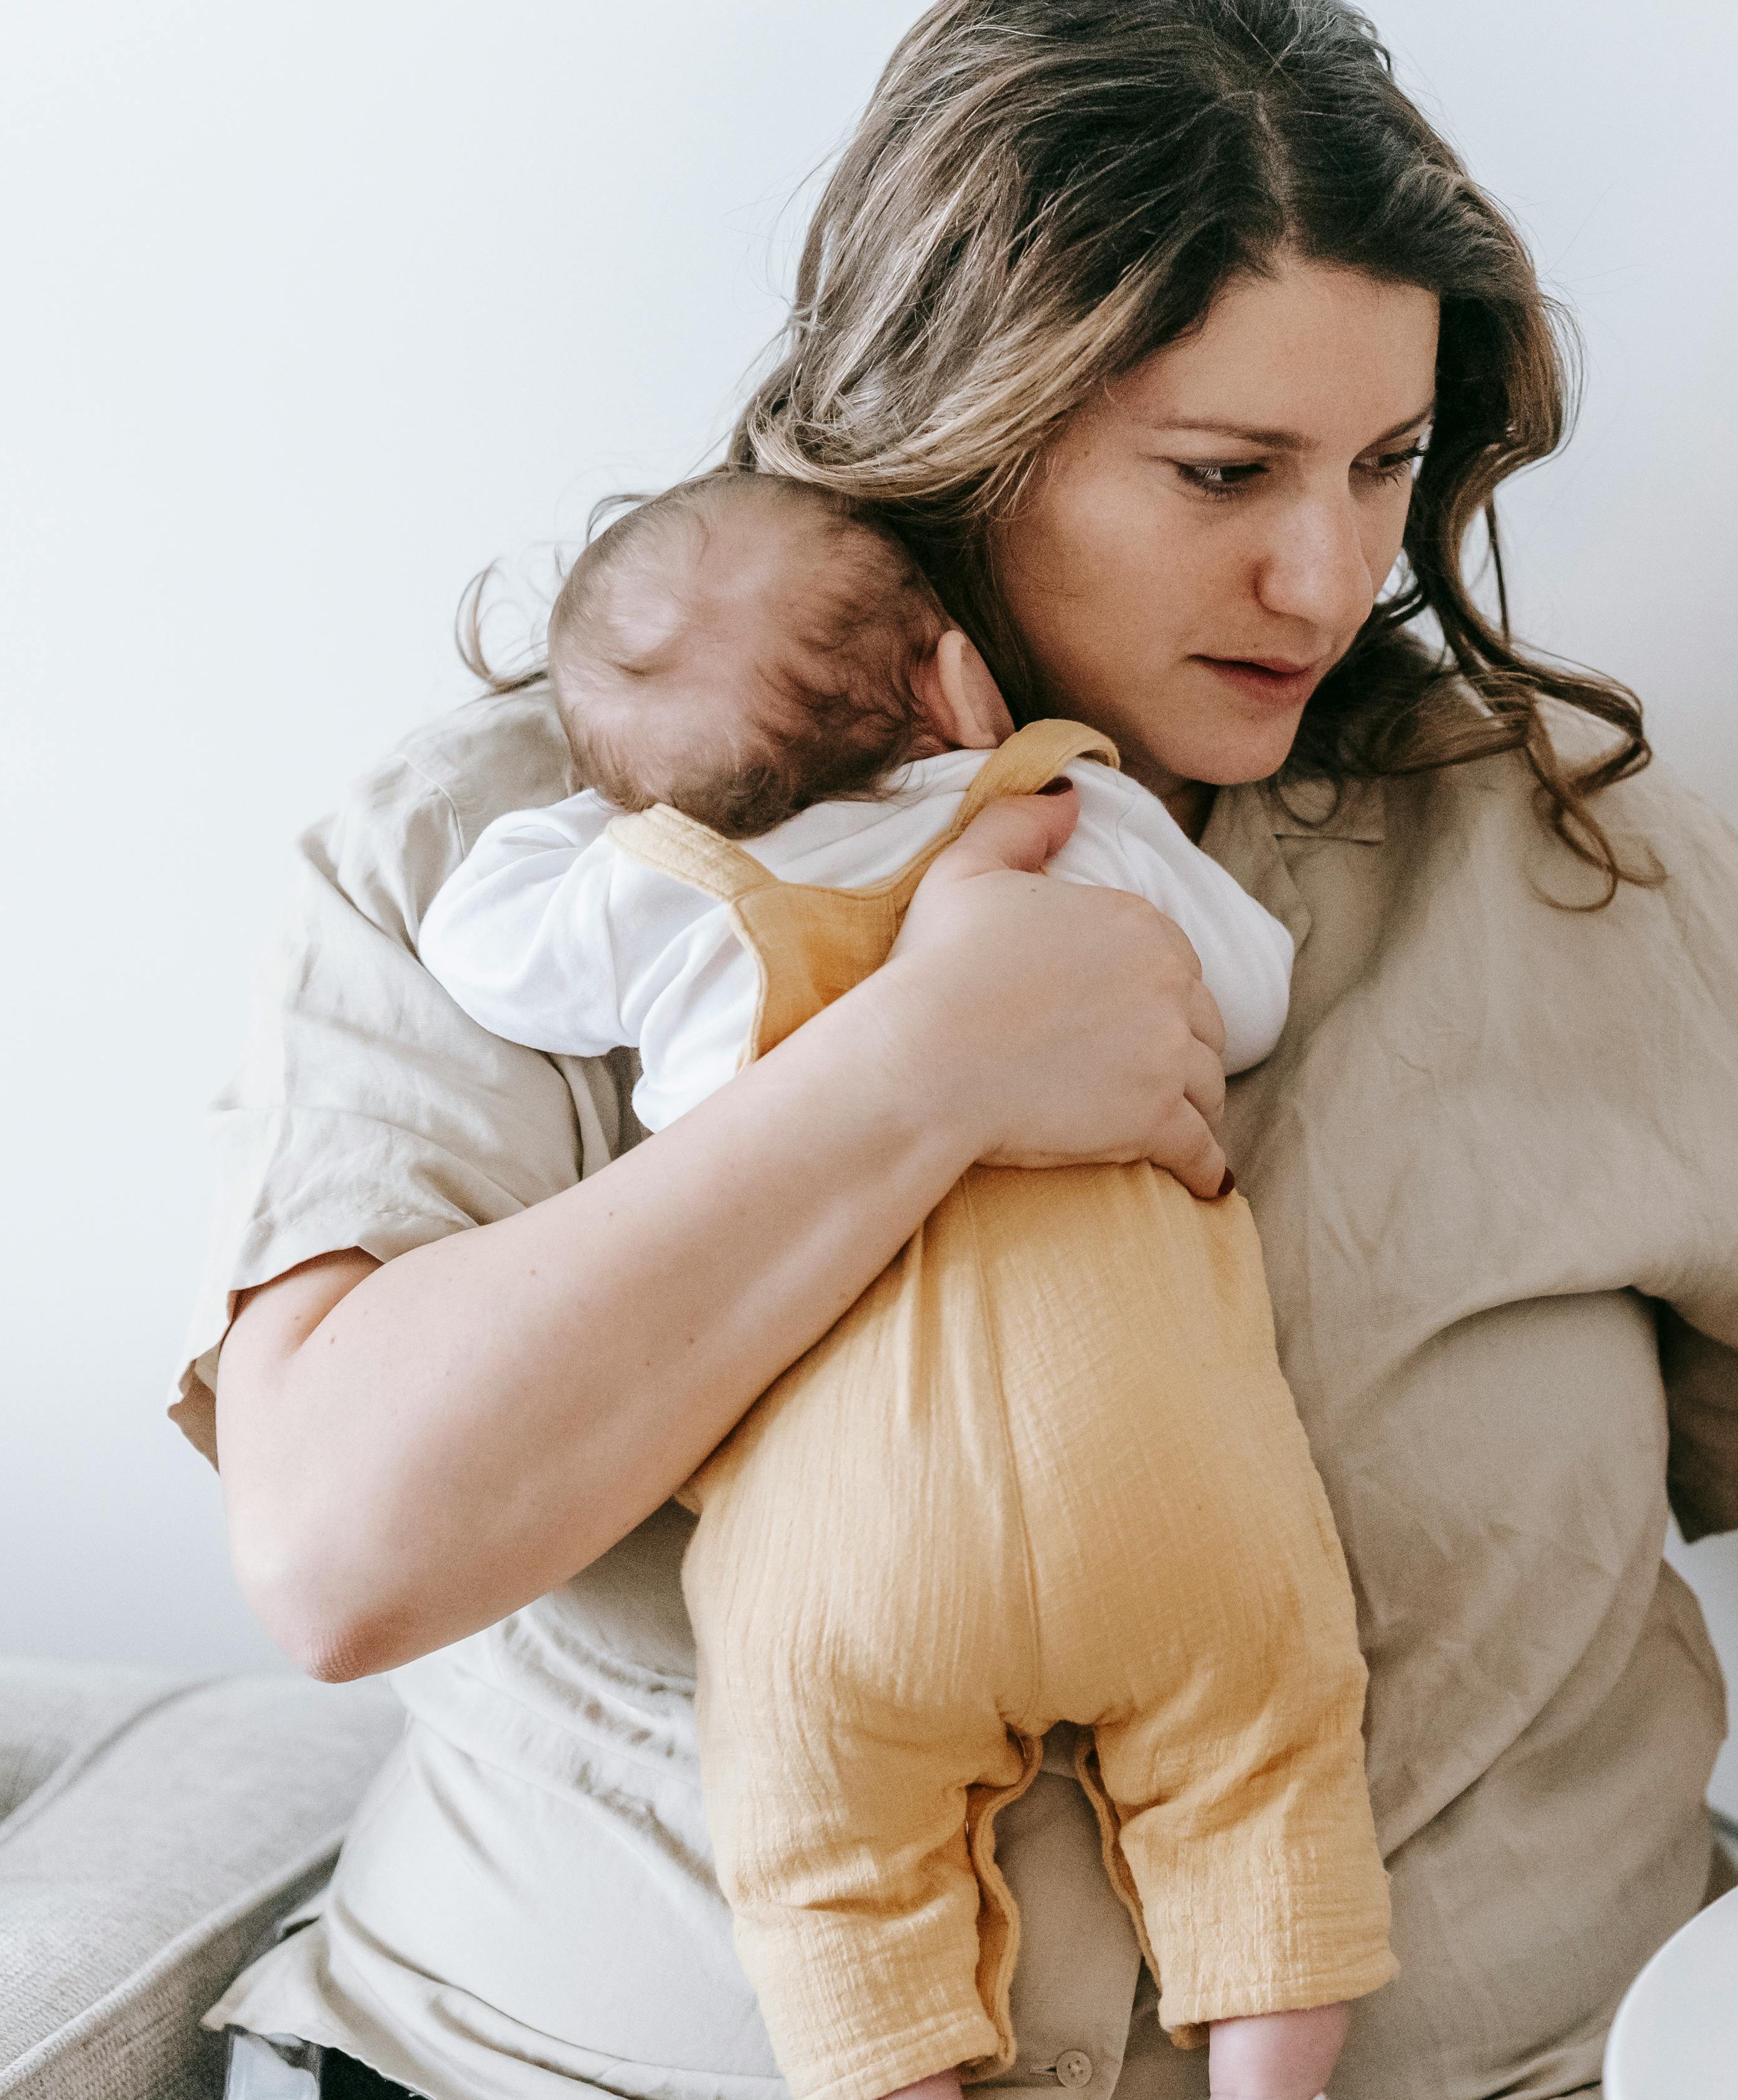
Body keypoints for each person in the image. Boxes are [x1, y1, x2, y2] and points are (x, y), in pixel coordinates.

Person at [185, 4, 1738, 2096]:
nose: (1328, 578)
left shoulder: (1555, 865)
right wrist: (916, 1072)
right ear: (952, 429)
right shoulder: (522, 868)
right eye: (1224, 475)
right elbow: (345, 1549)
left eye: (1384, 469)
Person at [414, 468, 1385, 2100]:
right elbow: (1251, 995)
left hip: (846, 1549)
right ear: (954, 678)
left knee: (827, 1864)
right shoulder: (1070, 815)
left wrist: (625, 800)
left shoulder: (667, 899)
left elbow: (477, 936)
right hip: (1156, 1471)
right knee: (1268, 1766)